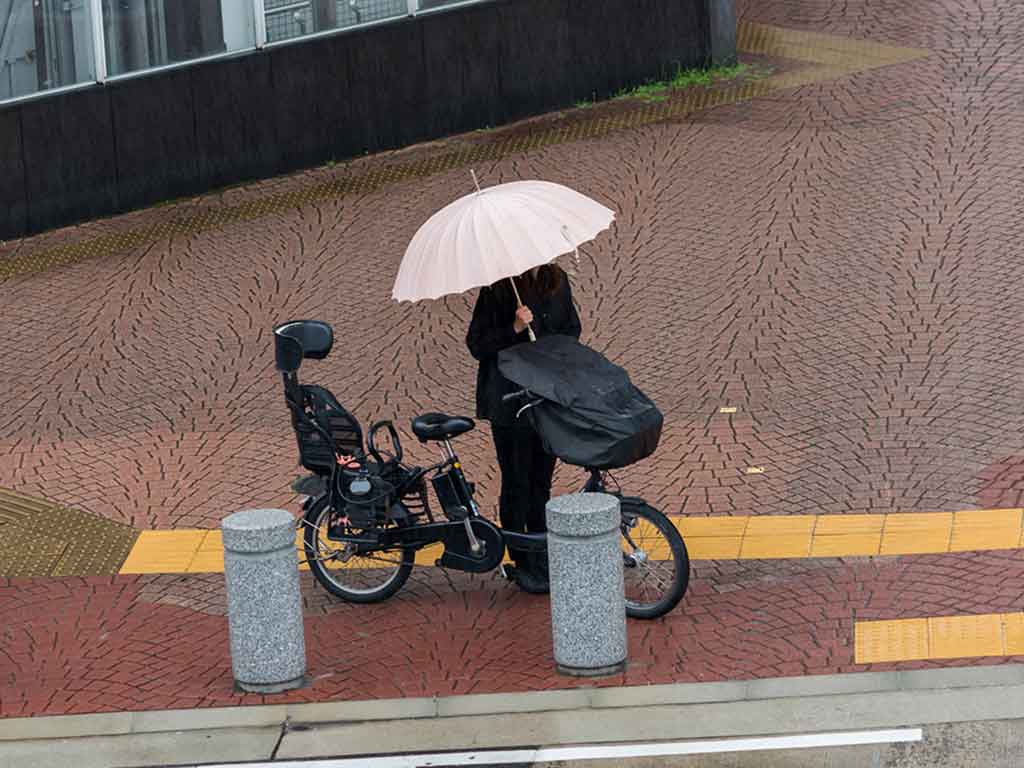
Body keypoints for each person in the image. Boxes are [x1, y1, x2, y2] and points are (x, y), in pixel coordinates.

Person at [466, 264, 581, 594]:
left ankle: (541, 548)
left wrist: (549, 344)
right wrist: (514, 327)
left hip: (545, 396)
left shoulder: (556, 280)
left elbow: (572, 328)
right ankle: (520, 558)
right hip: (509, 402)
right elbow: (477, 344)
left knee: (541, 481)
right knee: (517, 481)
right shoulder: (498, 288)